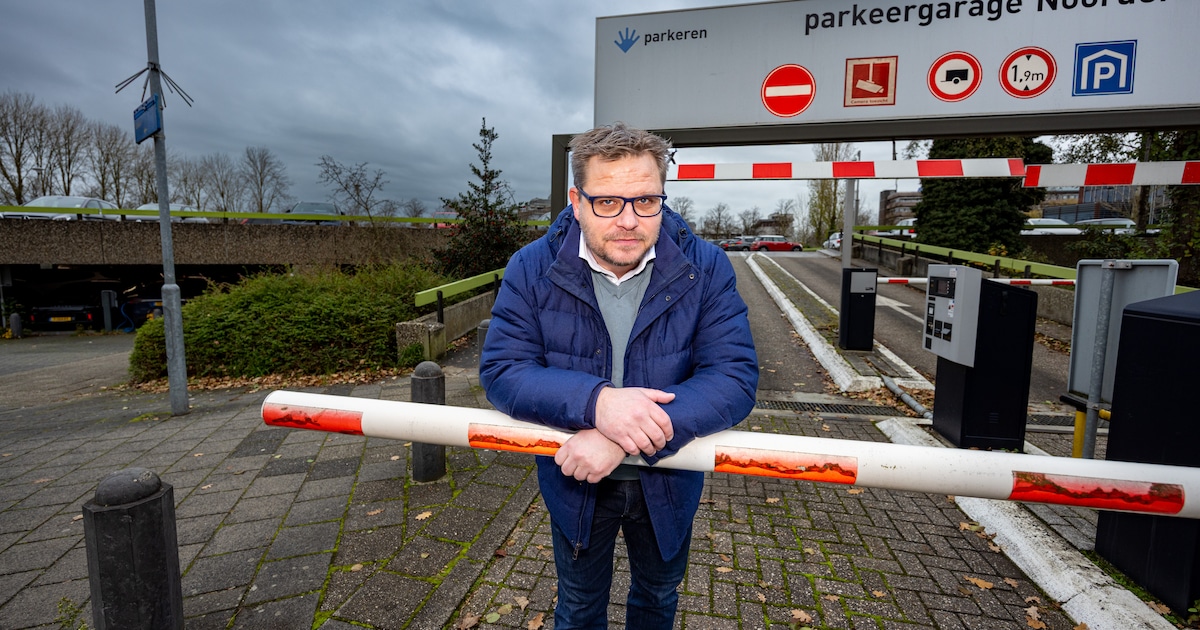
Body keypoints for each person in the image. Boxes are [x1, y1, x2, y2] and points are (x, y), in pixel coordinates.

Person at [479, 122, 758, 629]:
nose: (629, 220)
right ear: (576, 199)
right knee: (580, 606)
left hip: (669, 479)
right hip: (577, 482)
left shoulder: (707, 267)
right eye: (607, 202)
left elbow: (734, 377)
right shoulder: (530, 267)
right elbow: (503, 369)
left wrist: (621, 438)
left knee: (657, 599)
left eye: (645, 201)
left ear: (662, 196)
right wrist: (598, 404)